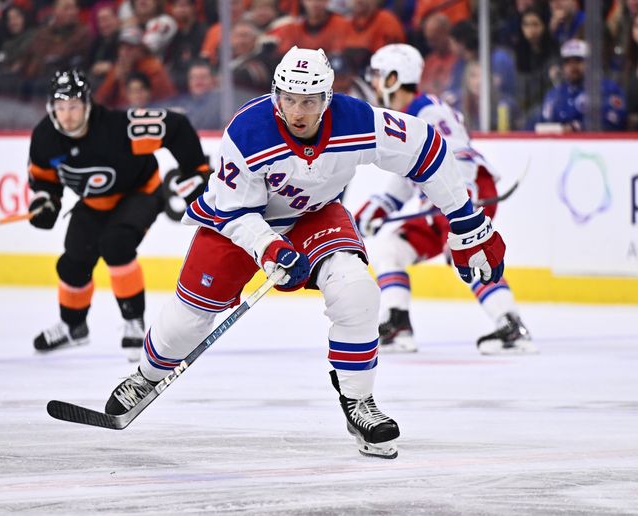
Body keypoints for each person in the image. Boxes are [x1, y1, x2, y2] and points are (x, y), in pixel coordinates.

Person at [103, 47, 510, 459]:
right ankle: (146, 375)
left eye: (310, 101)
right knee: (185, 323)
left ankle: (358, 402)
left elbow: (428, 149)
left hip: (313, 215)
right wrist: (270, 249)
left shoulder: (357, 120)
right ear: (276, 95)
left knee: (356, 291)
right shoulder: (247, 132)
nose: (298, 112)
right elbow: (235, 212)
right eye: (290, 100)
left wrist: (468, 222)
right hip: (239, 225)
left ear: (327, 99)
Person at [356, 43, 535, 355]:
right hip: (440, 200)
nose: (373, 81)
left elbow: (454, 158)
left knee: (466, 252)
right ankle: (397, 324)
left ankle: (511, 326)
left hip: (464, 193)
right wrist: (377, 208)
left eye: (378, 74)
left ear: (395, 78)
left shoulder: (429, 111)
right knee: (389, 248)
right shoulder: (406, 116)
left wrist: (453, 204)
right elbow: (407, 174)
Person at [27, 69, 210, 361]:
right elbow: (43, 178)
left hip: (140, 193)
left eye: (73, 106)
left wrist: (195, 171)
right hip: (94, 202)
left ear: (87, 104)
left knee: (117, 244)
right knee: (73, 262)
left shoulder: (118, 127)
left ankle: (133, 322)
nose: (68, 115)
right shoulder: (45, 137)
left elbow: (176, 127)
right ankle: (73, 327)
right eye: (61, 108)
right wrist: (45, 200)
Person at [540, 39, 627, 131]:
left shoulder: (609, 89)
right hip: (559, 144)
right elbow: (542, 123)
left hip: (597, 143)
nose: (572, 66)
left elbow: (615, 120)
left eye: (578, 60)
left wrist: (577, 128)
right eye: (567, 62)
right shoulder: (554, 94)